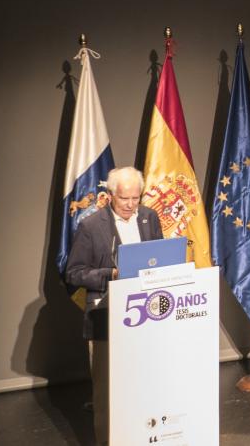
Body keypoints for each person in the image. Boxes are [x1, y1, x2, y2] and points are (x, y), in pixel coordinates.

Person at [65, 166, 163, 444]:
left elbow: (160, 257)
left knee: (148, 386)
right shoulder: (91, 226)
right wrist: (112, 274)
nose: (132, 205)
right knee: (109, 394)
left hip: (149, 316)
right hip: (106, 318)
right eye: (125, 199)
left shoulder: (149, 217)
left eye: (136, 198)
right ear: (110, 196)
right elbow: (74, 273)